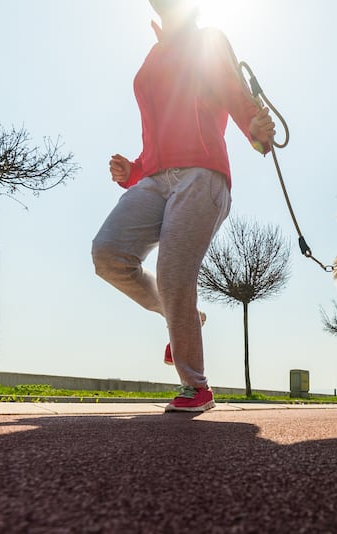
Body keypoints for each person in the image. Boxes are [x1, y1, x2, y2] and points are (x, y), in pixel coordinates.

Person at [91, 0, 275, 412]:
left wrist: (255, 130)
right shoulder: (154, 53)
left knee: (174, 273)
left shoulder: (208, 40)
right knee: (108, 254)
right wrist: (134, 170)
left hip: (202, 174)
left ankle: (196, 386)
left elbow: (235, 93)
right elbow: (158, 132)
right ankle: (183, 316)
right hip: (155, 178)